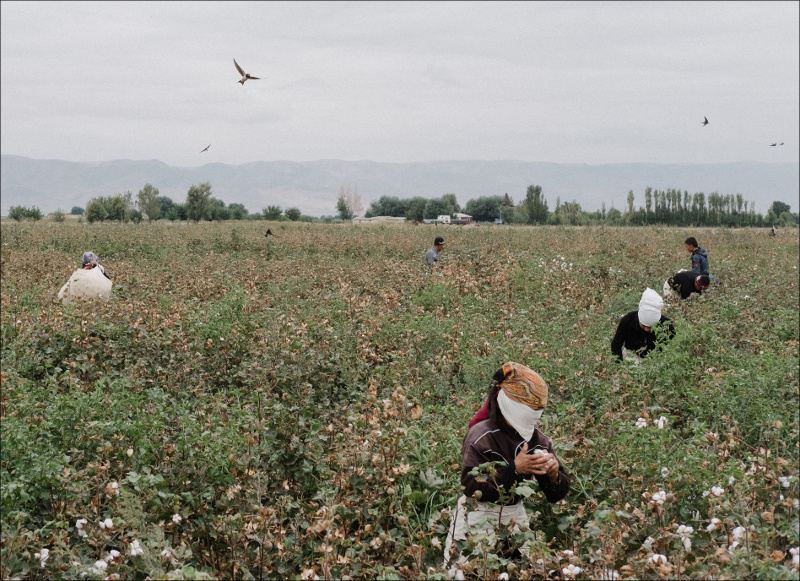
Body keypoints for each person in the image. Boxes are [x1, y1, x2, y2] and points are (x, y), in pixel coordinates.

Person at [444, 362, 569, 568]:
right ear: (514, 405)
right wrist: (515, 469)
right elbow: (470, 487)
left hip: (514, 515)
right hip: (477, 514)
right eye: (531, 409)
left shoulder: (537, 439)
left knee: (527, 569)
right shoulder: (481, 436)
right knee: (467, 569)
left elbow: (555, 494)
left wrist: (554, 475)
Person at [611, 288, 675, 363]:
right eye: (643, 325)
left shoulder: (666, 325)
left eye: (651, 327)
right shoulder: (628, 320)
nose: (647, 329)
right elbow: (616, 345)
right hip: (632, 355)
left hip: (657, 358)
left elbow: (673, 349)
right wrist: (619, 365)